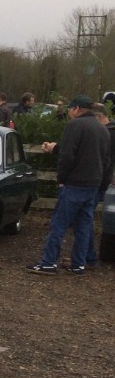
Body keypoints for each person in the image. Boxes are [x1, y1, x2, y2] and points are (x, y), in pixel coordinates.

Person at [27, 95, 111, 275]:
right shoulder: (103, 130)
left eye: (70, 109)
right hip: (93, 184)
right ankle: (78, 264)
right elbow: (106, 160)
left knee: (59, 224)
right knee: (83, 226)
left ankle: (48, 262)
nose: (69, 113)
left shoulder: (75, 126)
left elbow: (67, 155)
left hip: (74, 184)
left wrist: (62, 179)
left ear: (77, 109)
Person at [83, 103, 115, 270]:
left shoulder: (108, 134)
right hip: (104, 181)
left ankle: (88, 257)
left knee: (85, 218)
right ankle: (87, 256)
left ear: (99, 117)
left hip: (99, 181)